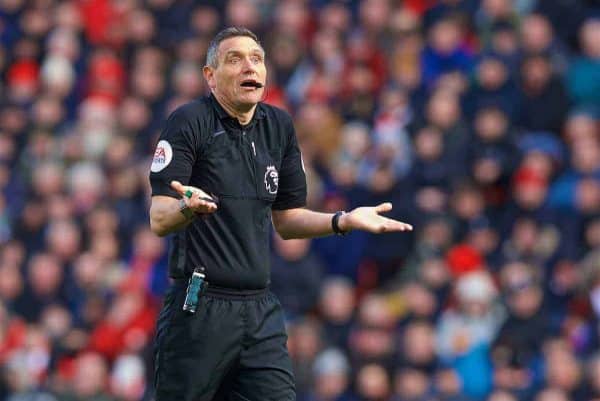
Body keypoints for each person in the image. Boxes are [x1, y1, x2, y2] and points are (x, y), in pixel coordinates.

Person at [148, 27, 413, 401]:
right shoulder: (188, 122)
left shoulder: (279, 127)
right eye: (234, 59)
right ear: (210, 76)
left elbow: (288, 220)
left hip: (259, 308)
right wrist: (186, 207)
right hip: (200, 307)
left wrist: (343, 220)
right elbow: (159, 218)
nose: (248, 67)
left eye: (256, 58)